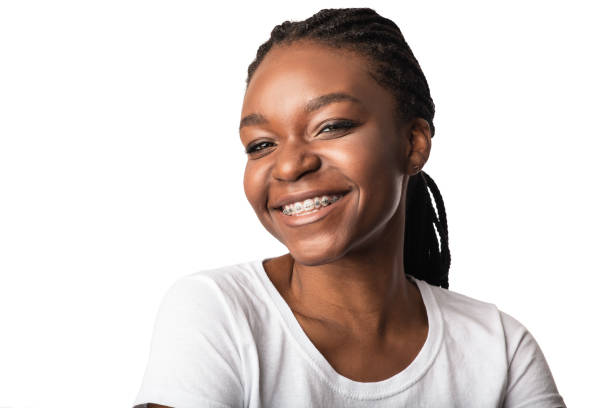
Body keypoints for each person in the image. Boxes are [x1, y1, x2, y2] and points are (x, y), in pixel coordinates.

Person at [133, 7, 565, 408]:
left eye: (331, 126)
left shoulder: (500, 349)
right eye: (261, 144)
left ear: (413, 143)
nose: (288, 164)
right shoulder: (218, 313)